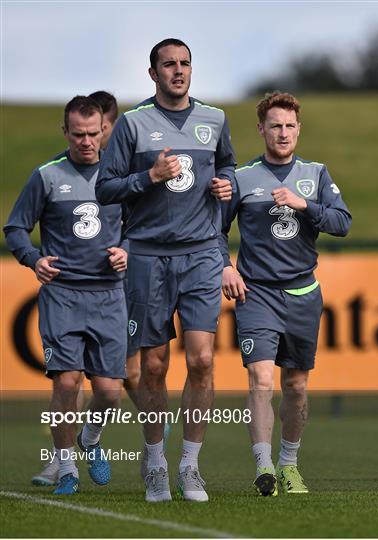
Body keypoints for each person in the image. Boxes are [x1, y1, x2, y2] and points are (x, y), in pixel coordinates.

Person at [96, 38, 236, 502]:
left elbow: (230, 167)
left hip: (200, 255)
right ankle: (154, 460)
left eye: (185, 64)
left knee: (201, 360)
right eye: (168, 65)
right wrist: (149, 178)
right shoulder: (134, 124)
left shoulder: (214, 120)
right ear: (152, 73)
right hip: (148, 257)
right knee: (154, 366)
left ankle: (190, 466)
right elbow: (105, 189)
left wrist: (225, 186)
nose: (178, 71)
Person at [219, 91, 351, 496]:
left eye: (290, 125)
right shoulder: (242, 178)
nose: (283, 132)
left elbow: (341, 223)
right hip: (256, 293)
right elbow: (214, 230)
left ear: (298, 129)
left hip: (303, 294)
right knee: (261, 378)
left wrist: (304, 204)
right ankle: (264, 467)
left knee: (295, 385)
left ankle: (289, 465)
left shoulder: (316, 173)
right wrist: (225, 265)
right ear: (261, 128)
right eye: (275, 125)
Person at [4, 96, 128, 495]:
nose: (87, 141)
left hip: (110, 296)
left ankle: (89, 438)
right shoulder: (47, 176)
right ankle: (68, 467)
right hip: (62, 296)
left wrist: (127, 250)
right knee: (67, 383)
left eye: (94, 133)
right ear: (66, 132)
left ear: (103, 130)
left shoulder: (122, 177)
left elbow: (142, 227)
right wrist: (33, 259)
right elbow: (16, 228)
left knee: (109, 392)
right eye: (79, 134)